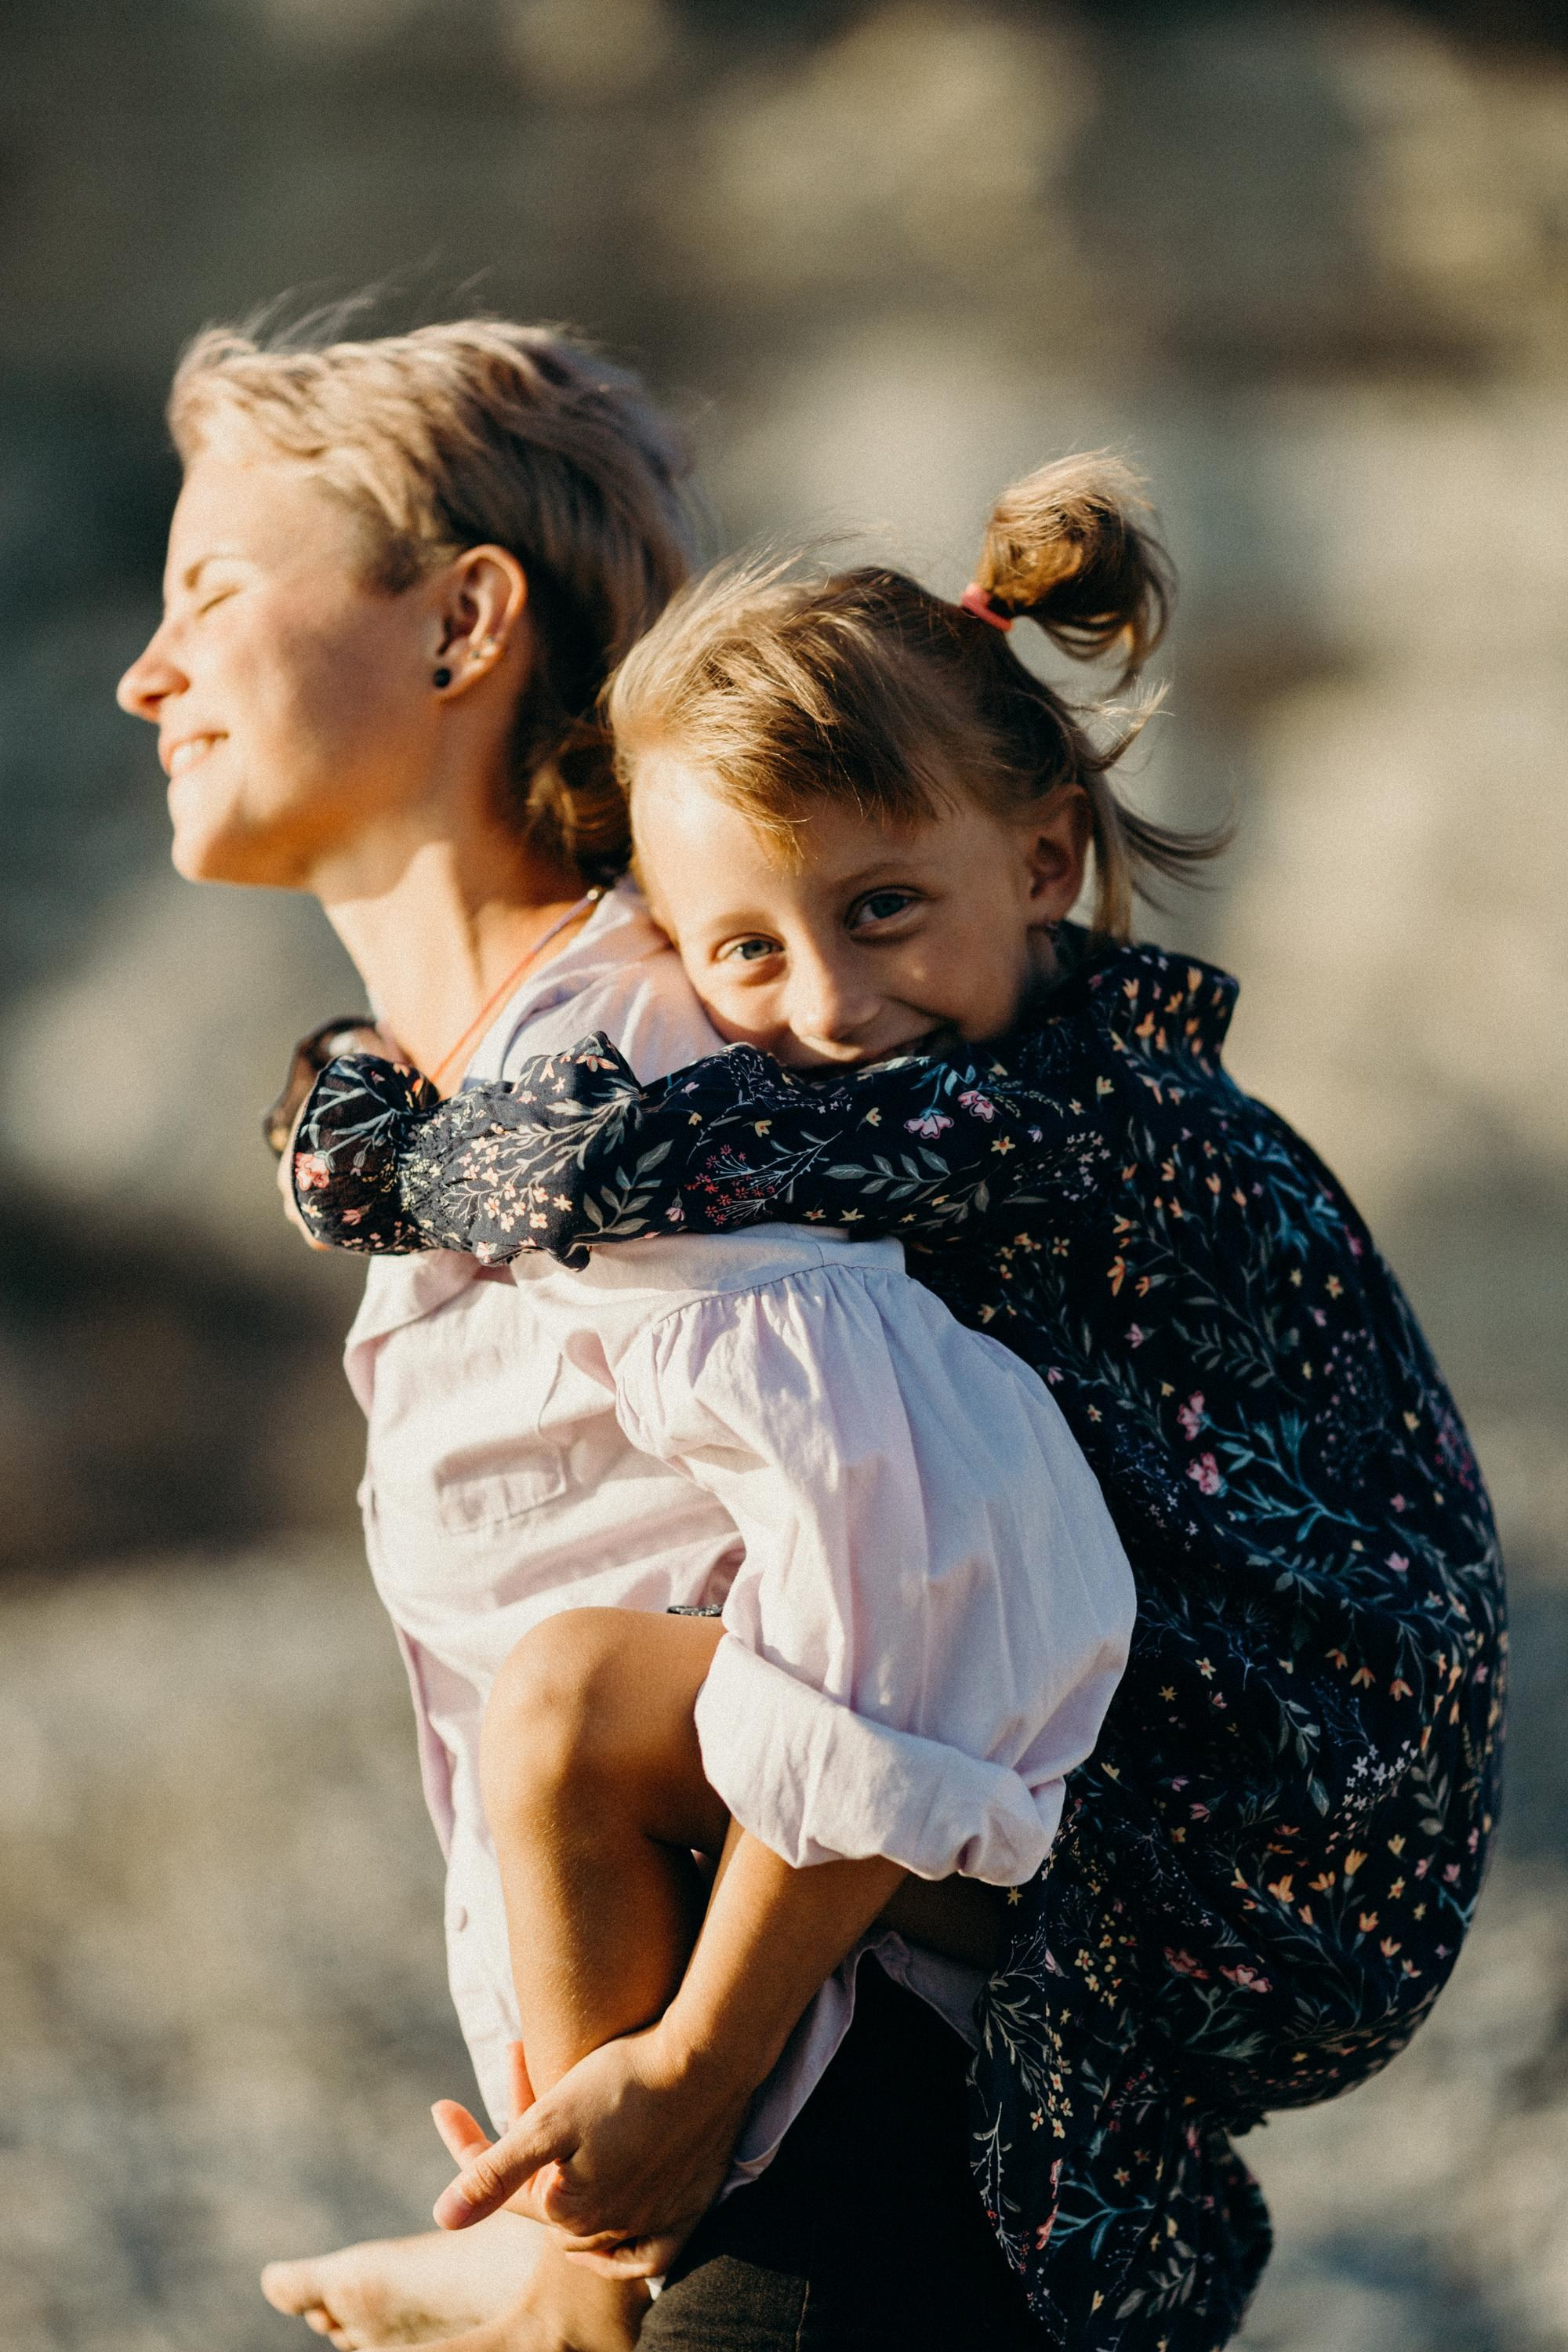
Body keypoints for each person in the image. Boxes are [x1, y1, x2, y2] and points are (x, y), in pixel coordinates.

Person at [292, 455, 1507, 2350]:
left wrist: (355, 1135)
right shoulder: (1095, 1068)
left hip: (1259, 1825)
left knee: (580, 1705)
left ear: (1036, 858)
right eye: (742, 953)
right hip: (1270, 1831)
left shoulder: (1032, 1118)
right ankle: (574, 2236)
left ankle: (591, 2237)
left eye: (879, 910)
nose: (830, 1006)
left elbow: (633, 1165)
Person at [115, 319, 1135, 2352]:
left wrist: (678, 2095)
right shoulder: (482, 1130)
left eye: (212, 590)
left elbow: (918, 1574)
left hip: (847, 2182)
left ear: (461, 623)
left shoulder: (645, 1076)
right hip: (754, 2165)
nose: (151, 670)